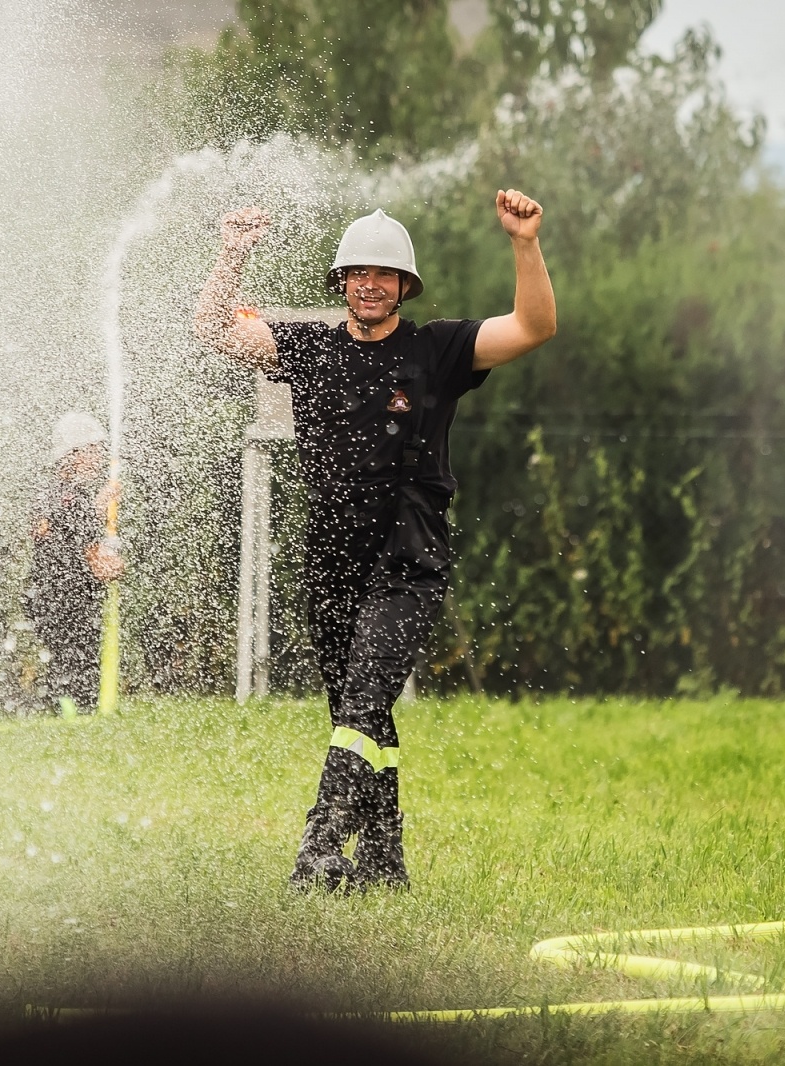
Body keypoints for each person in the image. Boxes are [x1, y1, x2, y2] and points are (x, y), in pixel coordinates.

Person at [193, 191, 556, 891]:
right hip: (329, 561)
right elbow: (213, 328)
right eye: (357, 272)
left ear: (404, 287)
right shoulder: (307, 347)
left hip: (407, 563)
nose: (369, 282)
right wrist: (232, 253)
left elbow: (534, 326)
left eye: (384, 274)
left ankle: (319, 843)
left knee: (361, 705)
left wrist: (524, 243)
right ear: (341, 283)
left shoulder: (438, 349)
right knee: (360, 717)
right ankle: (385, 862)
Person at [23, 411, 122, 715]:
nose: (98, 458)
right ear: (73, 455)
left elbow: (63, 532)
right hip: (71, 599)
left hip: (44, 595)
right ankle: (72, 718)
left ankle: (60, 714)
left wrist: (98, 508)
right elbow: (100, 565)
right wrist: (116, 560)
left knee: (62, 662)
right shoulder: (74, 500)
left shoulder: (49, 492)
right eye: (93, 451)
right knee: (78, 665)